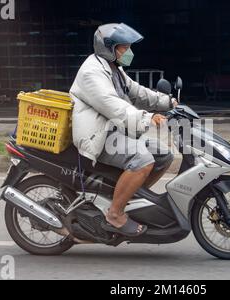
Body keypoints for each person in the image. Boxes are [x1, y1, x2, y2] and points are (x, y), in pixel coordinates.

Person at [70, 23, 178, 237]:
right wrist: (148, 118)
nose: (129, 52)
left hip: (114, 130)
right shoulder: (92, 73)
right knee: (142, 161)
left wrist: (168, 102)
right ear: (108, 48)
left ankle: (131, 200)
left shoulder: (113, 68)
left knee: (164, 155)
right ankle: (115, 213)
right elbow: (114, 107)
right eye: (124, 47)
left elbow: (136, 92)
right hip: (98, 136)